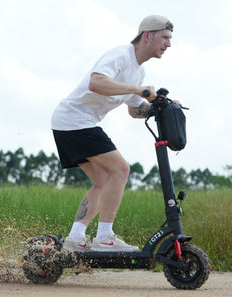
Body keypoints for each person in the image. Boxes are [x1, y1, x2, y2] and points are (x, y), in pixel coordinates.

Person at [51, 15, 174, 252]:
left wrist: (158, 107)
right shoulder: (121, 55)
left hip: (71, 122)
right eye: (165, 37)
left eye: (170, 39)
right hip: (75, 120)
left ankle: (75, 238)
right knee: (120, 169)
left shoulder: (138, 72)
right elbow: (96, 83)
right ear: (147, 35)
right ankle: (105, 238)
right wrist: (138, 90)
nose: (168, 44)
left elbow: (134, 110)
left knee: (104, 180)